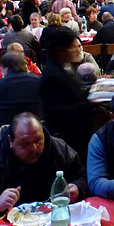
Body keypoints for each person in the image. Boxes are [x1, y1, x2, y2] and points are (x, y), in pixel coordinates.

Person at [0, 112, 87, 217]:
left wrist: (78, 189)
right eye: (25, 144)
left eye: (38, 141)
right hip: (10, 223)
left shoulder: (59, 148)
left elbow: (84, 177)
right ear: (10, 141)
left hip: (53, 219)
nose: (33, 148)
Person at [40, 27, 94, 160]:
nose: (77, 50)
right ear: (61, 50)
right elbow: (55, 112)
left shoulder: (65, 68)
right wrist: (89, 103)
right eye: (73, 47)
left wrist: (93, 91)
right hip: (68, 138)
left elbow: (73, 96)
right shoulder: (52, 75)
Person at [0, 52, 42, 128]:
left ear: (5, 67)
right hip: (36, 128)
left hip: (7, 131)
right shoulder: (39, 81)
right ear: (25, 65)